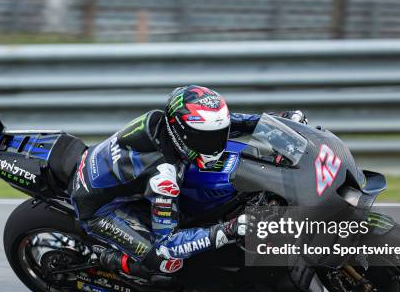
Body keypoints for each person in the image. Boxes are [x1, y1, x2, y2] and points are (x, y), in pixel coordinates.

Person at [69, 85, 307, 278]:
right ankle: (104, 259)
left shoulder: (166, 121)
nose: (215, 143)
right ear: (182, 133)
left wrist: (283, 122)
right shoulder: (163, 177)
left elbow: (234, 123)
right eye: (206, 138)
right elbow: (169, 243)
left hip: (112, 172)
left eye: (218, 135)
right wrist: (230, 229)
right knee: (164, 262)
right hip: (100, 210)